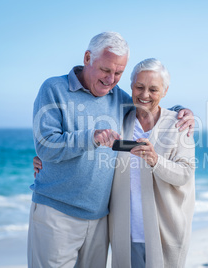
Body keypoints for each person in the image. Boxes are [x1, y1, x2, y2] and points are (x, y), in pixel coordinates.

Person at [29, 32, 194, 268]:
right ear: (87, 58)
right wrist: (91, 137)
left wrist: (184, 111)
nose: (111, 79)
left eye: (118, 73)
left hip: (100, 219)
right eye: (106, 70)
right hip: (57, 213)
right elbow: (46, 145)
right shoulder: (54, 88)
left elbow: (149, 102)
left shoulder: (116, 97)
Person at [109, 58, 195, 267]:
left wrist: (155, 160)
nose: (145, 95)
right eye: (139, 87)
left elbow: (185, 173)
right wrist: (45, 160)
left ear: (164, 91)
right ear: (131, 87)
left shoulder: (179, 124)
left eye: (153, 89)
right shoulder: (120, 120)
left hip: (165, 232)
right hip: (125, 232)